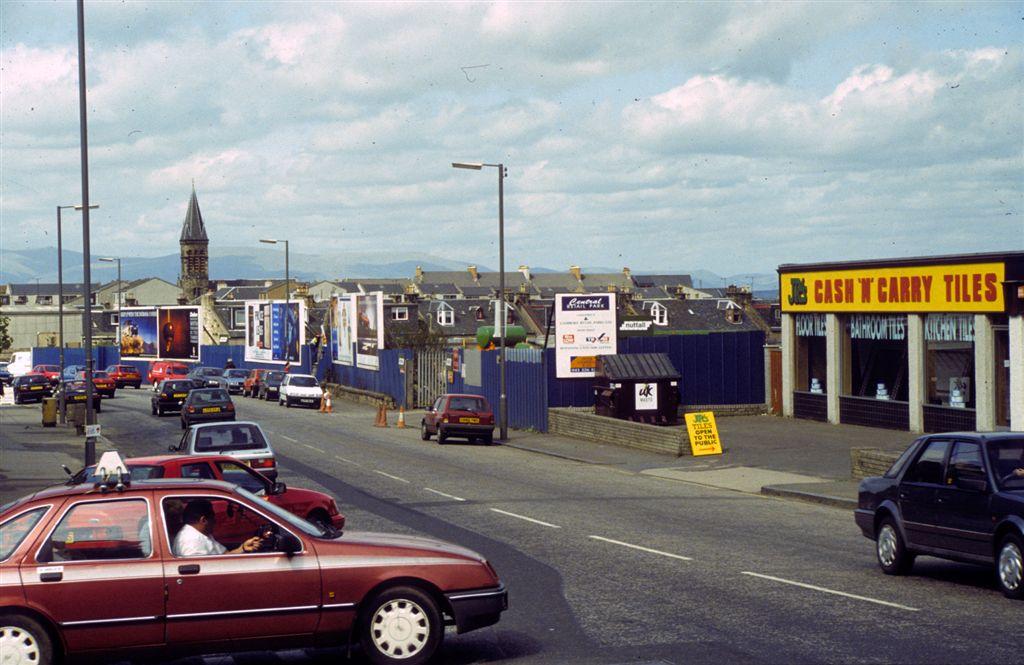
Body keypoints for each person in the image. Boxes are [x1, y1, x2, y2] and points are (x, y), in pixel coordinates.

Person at [172, 499, 263, 557]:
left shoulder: (201, 534)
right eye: (213, 518)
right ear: (203, 520)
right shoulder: (192, 543)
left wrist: (242, 548)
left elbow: (224, 556)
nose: (215, 522)